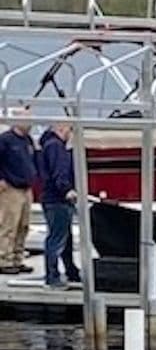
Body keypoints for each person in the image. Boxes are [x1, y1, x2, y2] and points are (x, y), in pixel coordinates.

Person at [37, 123, 82, 288]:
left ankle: (71, 270)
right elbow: (59, 171)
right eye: (70, 130)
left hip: (53, 198)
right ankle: (52, 275)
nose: (71, 135)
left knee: (65, 237)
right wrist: (67, 189)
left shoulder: (48, 145)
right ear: (62, 128)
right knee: (57, 238)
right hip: (57, 199)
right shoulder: (56, 147)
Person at [0, 107, 39, 275]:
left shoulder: (28, 140)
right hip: (11, 188)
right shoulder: (5, 140)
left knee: (23, 226)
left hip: (26, 188)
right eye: (26, 119)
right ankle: (4, 259)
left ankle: (18, 257)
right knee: (9, 225)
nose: (30, 123)